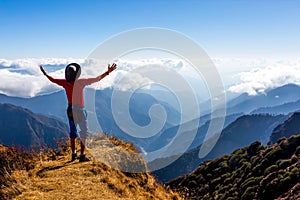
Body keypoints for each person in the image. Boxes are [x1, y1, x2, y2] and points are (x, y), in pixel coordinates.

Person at [40, 63, 117, 162]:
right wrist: (108, 72)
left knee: (73, 132)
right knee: (84, 132)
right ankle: (82, 155)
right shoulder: (81, 82)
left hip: (70, 110)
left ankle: (73, 154)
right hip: (80, 110)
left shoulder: (64, 83)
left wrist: (45, 73)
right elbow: (97, 79)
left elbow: (53, 80)